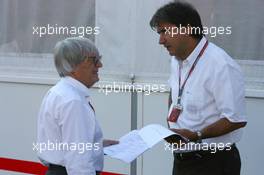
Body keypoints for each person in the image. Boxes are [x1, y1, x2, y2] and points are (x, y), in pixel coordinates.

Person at [149, 1, 247, 175]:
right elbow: (175, 91)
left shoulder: (220, 64)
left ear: (186, 28)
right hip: (182, 160)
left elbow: (236, 119)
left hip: (214, 162)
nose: (161, 40)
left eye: (165, 31)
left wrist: (197, 135)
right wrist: (172, 122)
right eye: (159, 33)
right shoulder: (176, 59)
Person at [37, 37, 117, 175]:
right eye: (94, 60)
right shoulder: (73, 101)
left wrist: (95, 144)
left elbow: (66, 142)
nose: (100, 65)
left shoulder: (60, 92)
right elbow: (79, 162)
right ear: (74, 65)